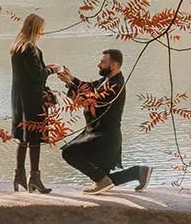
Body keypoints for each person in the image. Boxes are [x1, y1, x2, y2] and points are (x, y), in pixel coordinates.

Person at [52, 49, 152, 194]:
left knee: (69, 153)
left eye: (103, 62)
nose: (99, 64)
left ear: (114, 65)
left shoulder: (116, 85)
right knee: (103, 177)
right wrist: (71, 78)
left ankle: (106, 180)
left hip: (104, 137)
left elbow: (92, 101)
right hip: (99, 134)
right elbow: (90, 88)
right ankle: (138, 172)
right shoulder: (107, 80)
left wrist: (70, 84)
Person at [9, 13, 62, 193]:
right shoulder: (31, 49)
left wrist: (44, 70)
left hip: (19, 100)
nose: (42, 33)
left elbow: (28, 75)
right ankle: (35, 179)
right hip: (33, 100)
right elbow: (37, 76)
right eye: (41, 29)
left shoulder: (17, 47)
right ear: (35, 29)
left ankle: (19, 176)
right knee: (35, 140)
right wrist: (53, 70)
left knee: (23, 138)